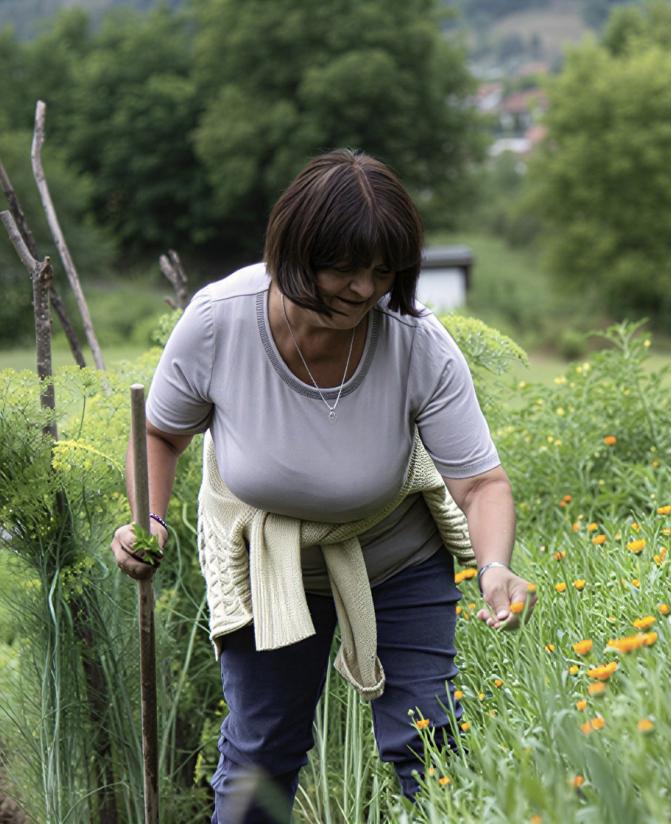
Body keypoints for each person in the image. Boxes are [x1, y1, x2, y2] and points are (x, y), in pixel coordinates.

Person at [112, 148, 535, 823]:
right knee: (262, 753)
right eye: (343, 266)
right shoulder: (221, 322)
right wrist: (150, 520)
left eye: (381, 270)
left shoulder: (416, 342)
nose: (364, 289)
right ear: (292, 250)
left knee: (427, 738)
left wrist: (494, 566)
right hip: (268, 559)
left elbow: (481, 482)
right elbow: (159, 434)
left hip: (398, 555)